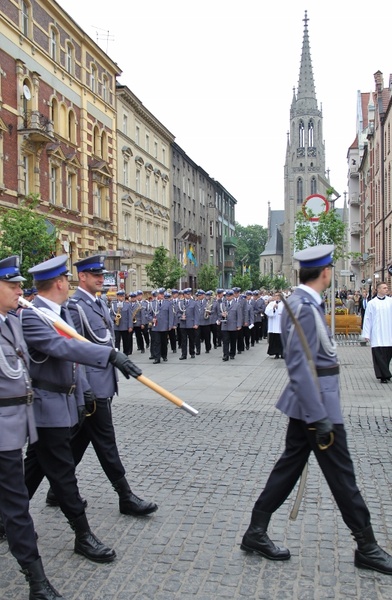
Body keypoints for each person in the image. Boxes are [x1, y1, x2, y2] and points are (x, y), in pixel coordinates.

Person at [241, 245, 392, 575]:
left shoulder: (303, 301)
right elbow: (298, 364)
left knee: (288, 468)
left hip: (309, 403)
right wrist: (319, 415)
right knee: (342, 476)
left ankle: (255, 531)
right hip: (317, 405)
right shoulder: (305, 308)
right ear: (327, 272)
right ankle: (366, 545)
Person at [20, 255, 139, 564]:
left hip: (65, 404)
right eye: (67, 280)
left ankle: (6, 519)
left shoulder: (59, 312)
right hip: (46, 407)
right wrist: (109, 355)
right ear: (61, 282)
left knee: (34, 467)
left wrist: (85, 392)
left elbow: (72, 361)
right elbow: (64, 347)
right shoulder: (35, 316)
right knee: (62, 474)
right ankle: (83, 535)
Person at [45, 255, 157, 517]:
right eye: (95, 274)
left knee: (80, 439)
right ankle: (125, 496)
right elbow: (75, 350)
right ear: (81, 277)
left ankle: (55, 489)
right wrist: (83, 387)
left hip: (104, 382)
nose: (101, 278)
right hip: (91, 388)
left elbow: (105, 342)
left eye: (102, 274)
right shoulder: (75, 307)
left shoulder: (100, 303)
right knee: (106, 442)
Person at [0, 256, 65, 599]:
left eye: (19, 283)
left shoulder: (13, 322)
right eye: (11, 284)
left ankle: (36, 581)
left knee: (16, 505)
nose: (19, 290)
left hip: (10, 430)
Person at [362, 281, 392, 383]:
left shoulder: (390, 301)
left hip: (388, 333)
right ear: (378, 289)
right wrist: (366, 334)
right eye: (384, 288)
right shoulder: (372, 303)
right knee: (379, 356)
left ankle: (386, 373)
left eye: (386, 288)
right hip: (377, 333)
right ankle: (383, 376)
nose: (386, 289)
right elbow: (367, 319)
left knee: (387, 355)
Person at [219, 290, 242, 361]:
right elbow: (219, 313)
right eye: (226, 296)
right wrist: (222, 315)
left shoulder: (237, 304)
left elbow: (239, 316)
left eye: (229, 296)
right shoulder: (223, 304)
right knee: (225, 341)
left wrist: (239, 325)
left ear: (232, 296)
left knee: (233, 340)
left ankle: (232, 353)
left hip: (233, 325)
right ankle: (225, 355)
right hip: (225, 325)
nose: (227, 298)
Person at [111, 290, 132, 355]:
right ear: (117, 297)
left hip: (125, 326)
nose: (121, 298)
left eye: (123, 296)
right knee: (117, 340)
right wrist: (114, 318)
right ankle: (117, 353)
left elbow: (130, 316)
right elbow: (110, 314)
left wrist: (130, 326)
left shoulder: (127, 305)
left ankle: (126, 353)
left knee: (125, 341)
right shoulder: (113, 305)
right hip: (116, 326)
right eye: (120, 296)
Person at [265, 292, 284, 359]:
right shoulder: (271, 304)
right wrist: (273, 309)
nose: (277, 297)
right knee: (275, 340)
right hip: (273, 325)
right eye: (276, 296)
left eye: (278, 296)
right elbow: (267, 312)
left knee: (281, 340)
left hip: (281, 325)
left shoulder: (284, 304)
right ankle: (276, 353)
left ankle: (282, 353)